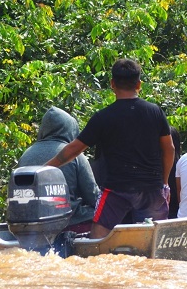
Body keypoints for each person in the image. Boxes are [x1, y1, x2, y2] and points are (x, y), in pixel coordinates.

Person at [45, 59, 175, 239]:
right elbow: (169, 149)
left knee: (97, 241)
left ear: (112, 84)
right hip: (151, 188)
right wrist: (164, 181)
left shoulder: (103, 117)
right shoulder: (155, 112)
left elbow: (74, 149)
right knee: (153, 241)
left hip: (116, 189)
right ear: (139, 84)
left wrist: (45, 168)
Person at [17, 106, 100, 234]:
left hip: (31, 225)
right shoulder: (75, 155)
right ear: (71, 129)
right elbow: (93, 196)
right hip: (70, 222)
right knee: (105, 213)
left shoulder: (26, 155)